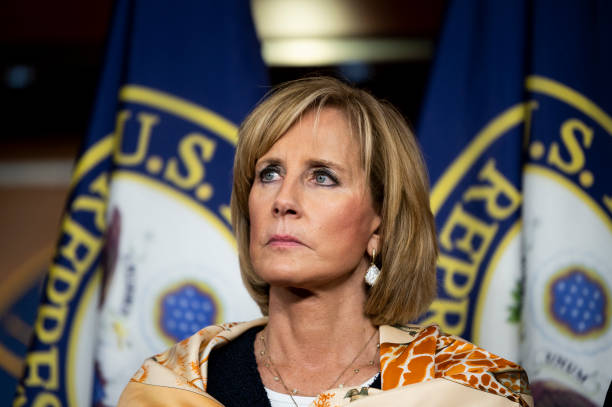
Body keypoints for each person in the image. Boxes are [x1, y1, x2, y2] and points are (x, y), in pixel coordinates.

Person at [118, 77, 533, 406]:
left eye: (322, 177)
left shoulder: (466, 388)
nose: (283, 200)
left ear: (381, 226)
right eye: (269, 173)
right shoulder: (174, 386)